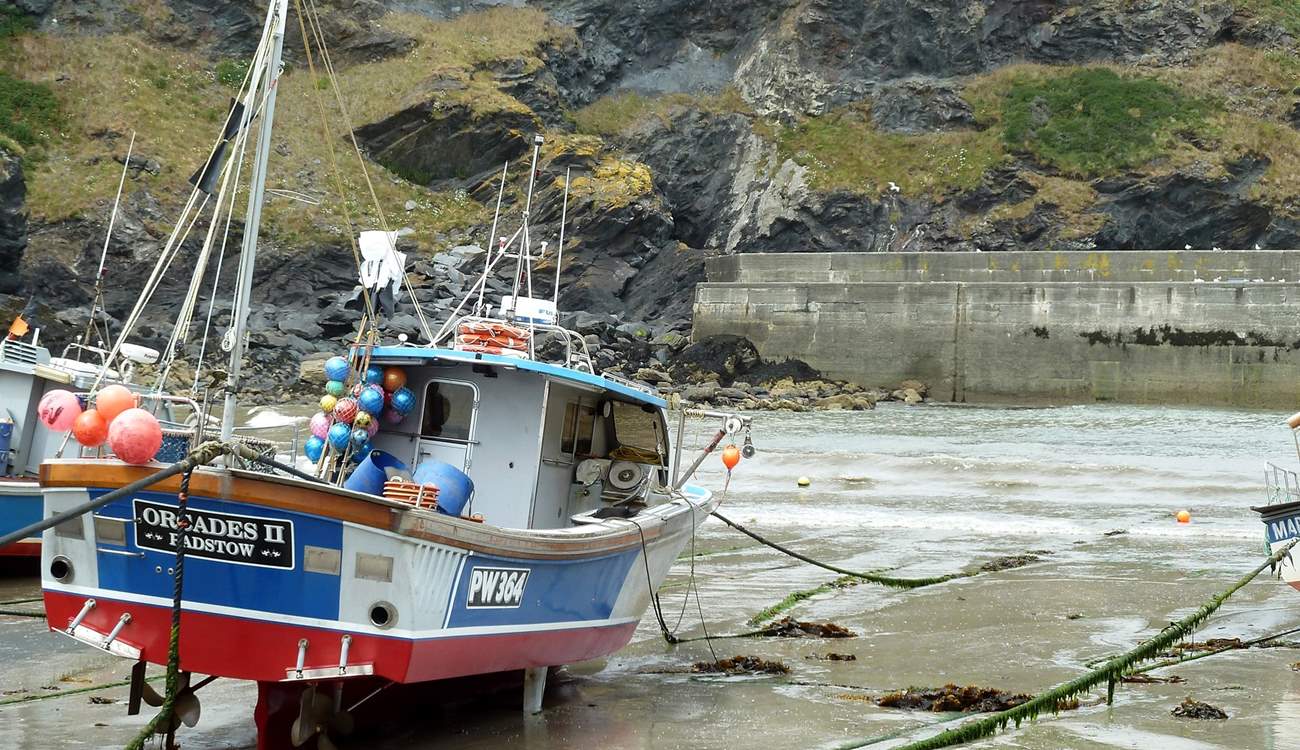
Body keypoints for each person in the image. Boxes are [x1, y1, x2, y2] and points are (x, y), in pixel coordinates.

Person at [358, 230, 405, 319]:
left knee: (375, 299)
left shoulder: (386, 263)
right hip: (378, 285)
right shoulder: (374, 264)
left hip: (379, 285)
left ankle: (374, 314)